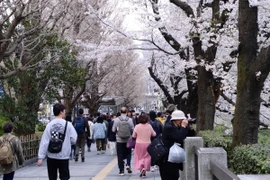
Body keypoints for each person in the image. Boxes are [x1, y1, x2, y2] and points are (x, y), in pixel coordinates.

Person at [38, 103, 77, 180]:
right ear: (61, 112)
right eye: (64, 111)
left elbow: (44, 142)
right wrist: (68, 143)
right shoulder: (68, 125)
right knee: (64, 176)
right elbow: (73, 139)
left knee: (52, 177)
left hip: (51, 156)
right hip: (64, 156)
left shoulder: (49, 125)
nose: (65, 112)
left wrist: (40, 157)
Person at [159, 110, 192, 180]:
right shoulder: (169, 127)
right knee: (169, 177)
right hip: (166, 159)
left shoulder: (176, 126)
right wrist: (183, 127)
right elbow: (179, 138)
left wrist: (190, 128)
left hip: (173, 157)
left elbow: (185, 135)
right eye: (181, 119)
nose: (183, 121)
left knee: (175, 176)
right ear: (176, 120)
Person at [132, 113, 156, 178]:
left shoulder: (137, 126)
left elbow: (133, 136)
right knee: (147, 157)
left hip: (139, 144)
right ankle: (145, 169)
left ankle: (141, 168)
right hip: (147, 143)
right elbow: (154, 134)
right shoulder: (149, 126)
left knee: (139, 157)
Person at [112, 107, 134, 176]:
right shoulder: (129, 120)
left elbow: (113, 130)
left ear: (120, 112)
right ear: (127, 112)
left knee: (120, 154)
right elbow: (132, 129)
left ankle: (121, 170)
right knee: (128, 153)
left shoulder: (116, 120)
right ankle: (128, 164)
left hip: (119, 139)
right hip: (128, 139)